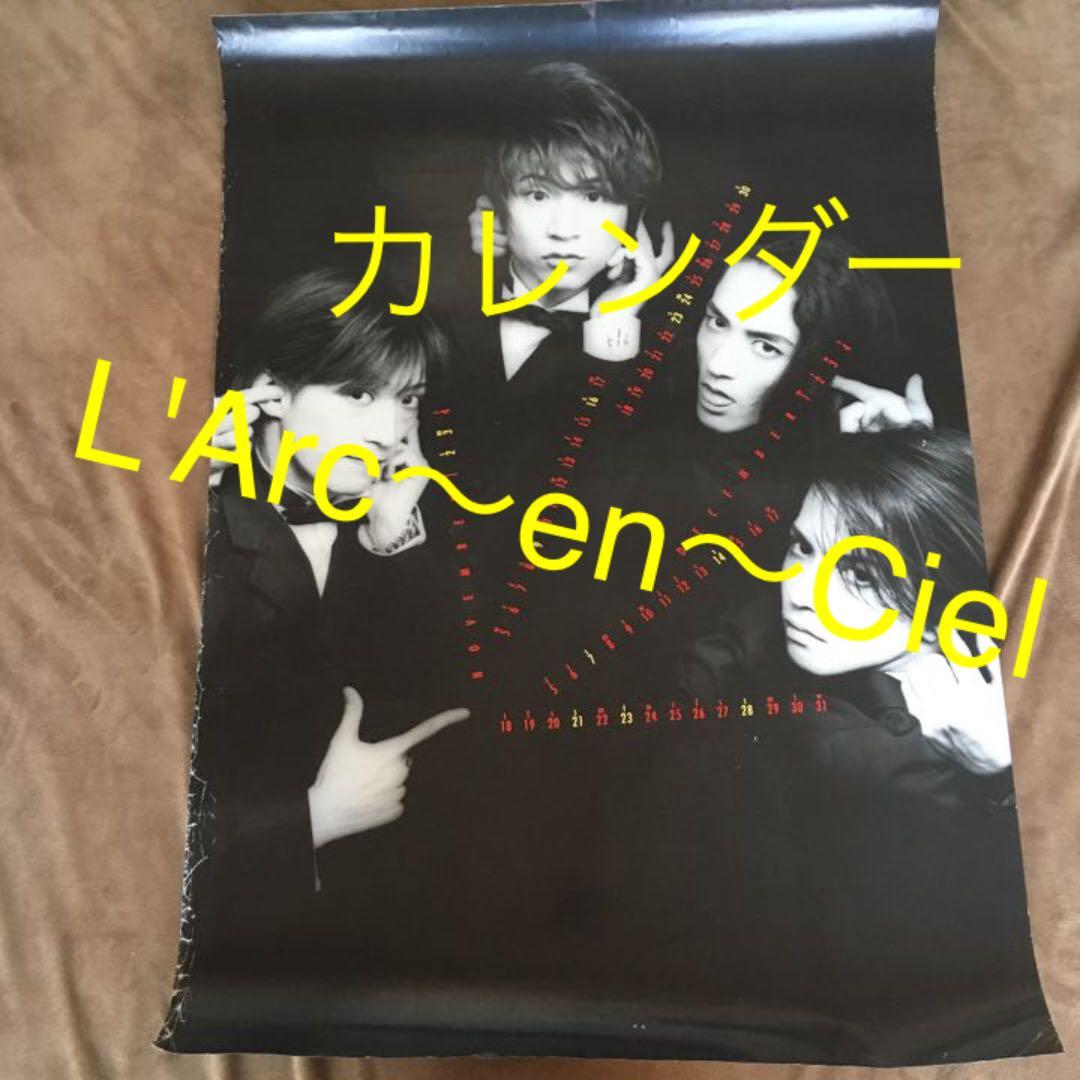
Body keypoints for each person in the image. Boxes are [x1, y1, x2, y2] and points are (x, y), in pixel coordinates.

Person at [183, 270, 473, 995]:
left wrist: (392, 534)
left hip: (377, 939)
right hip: (221, 952)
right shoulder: (187, 527)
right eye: (357, 394)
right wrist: (313, 821)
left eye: (408, 399)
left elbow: (443, 708)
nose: (389, 431)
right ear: (268, 394)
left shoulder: (394, 524)